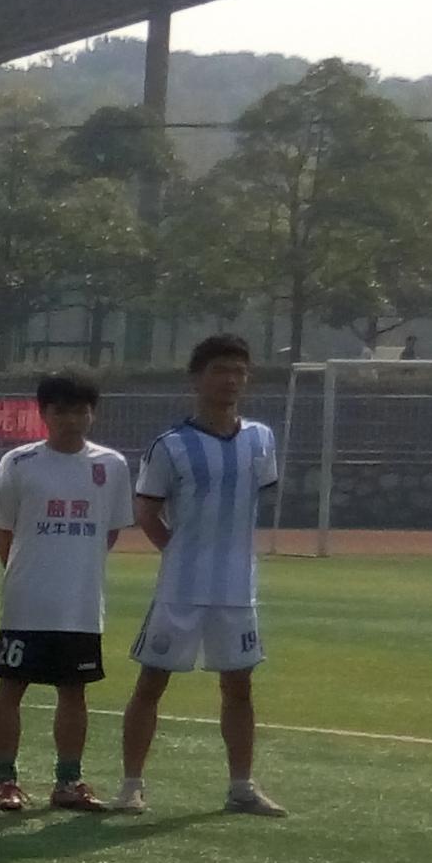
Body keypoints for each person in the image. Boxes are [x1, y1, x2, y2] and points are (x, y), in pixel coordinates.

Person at [117, 332, 288, 817]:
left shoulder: (260, 439)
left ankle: (241, 786)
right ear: (197, 378)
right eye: (219, 370)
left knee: (239, 687)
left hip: (237, 589)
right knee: (152, 683)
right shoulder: (171, 445)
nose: (230, 380)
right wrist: (178, 554)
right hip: (181, 589)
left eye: (238, 371)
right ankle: (131, 785)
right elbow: (146, 511)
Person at [0, 370, 127, 815]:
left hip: (80, 604)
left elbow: (109, 532)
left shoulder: (111, 465)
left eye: (81, 410)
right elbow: (2, 529)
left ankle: (68, 781)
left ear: (93, 413)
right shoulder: (19, 463)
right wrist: (26, 570)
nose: (72, 419)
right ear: (44, 413)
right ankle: (6, 781)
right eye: (61, 410)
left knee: (74, 691)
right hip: (27, 602)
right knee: (11, 687)